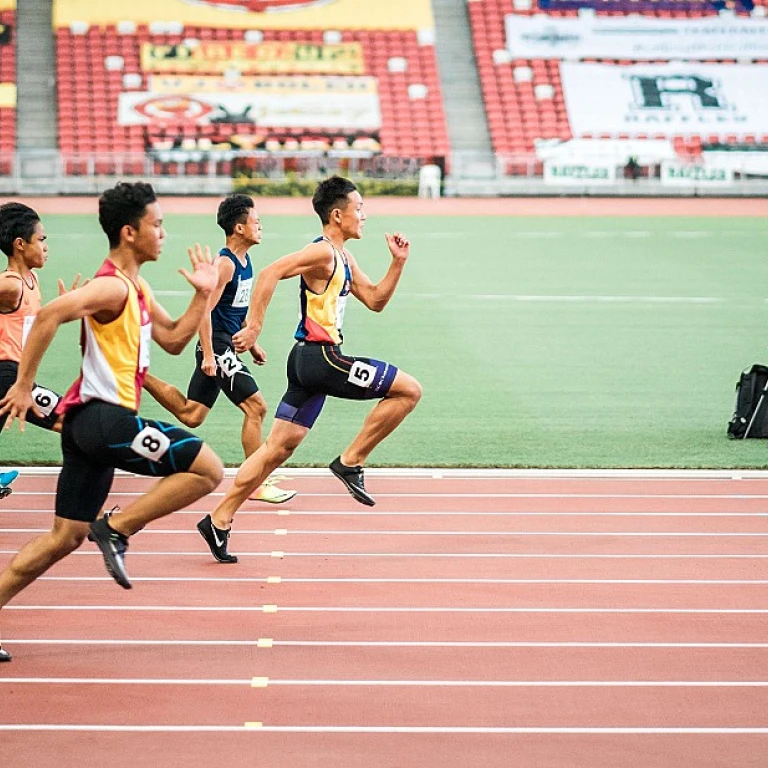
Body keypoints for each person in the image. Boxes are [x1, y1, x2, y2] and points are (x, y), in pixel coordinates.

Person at [0, 182, 224, 662]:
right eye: (156, 225)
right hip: (104, 420)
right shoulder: (111, 286)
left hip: (88, 428)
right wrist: (22, 384)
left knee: (66, 537)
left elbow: (174, 340)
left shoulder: (136, 285)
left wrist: (206, 295)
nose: (163, 234)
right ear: (129, 232)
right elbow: (48, 318)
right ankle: (118, 528)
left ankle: (104, 532)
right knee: (209, 470)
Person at [196, 176, 422, 563]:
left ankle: (218, 519)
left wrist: (397, 263)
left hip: (306, 364)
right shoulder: (320, 253)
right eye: (359, 208)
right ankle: (350, 462)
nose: (365, 216)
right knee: (409, 390)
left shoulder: (344, 257)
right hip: (322, 359)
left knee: (274, 450)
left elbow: (376, 299)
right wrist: (253, 327)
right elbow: (269, 273)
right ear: (337, 214)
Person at [142, 194, 295, 506]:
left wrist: (252, 344)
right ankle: (255, 482)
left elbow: (233, 311)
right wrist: (210, 354)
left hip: (228, 344)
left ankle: (138, 374)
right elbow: (204, 312)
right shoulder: (224, 265)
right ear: (239, 228)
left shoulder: (245, 261)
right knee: (257, 408)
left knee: (192, 413)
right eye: (255, 221)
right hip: (217, 346)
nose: (260, 225)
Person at [0, 202, 85, 497]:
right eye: (42, 240)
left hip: (17, 375)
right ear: (20, 245)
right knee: (74, 421)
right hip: (7, 378)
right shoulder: (10, 284)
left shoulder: (31, 280)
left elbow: (30, 328)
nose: (47, 247)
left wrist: (61, 309)